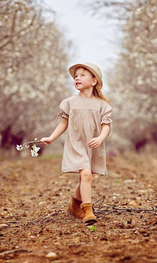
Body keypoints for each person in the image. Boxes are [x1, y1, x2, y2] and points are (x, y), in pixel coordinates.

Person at [40, 62, 112, 225]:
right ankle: (87, 209)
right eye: (75, 76)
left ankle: (74, 205)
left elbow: (106, 126)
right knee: (85, 174)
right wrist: (51, 137)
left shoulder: (103, 105)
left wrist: (100, 138)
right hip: (76, 143)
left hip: (93, 144)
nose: (77, 78)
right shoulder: (70, 102)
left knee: (86, 175)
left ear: (94, 81)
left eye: (82, 75)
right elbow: (64, 123)